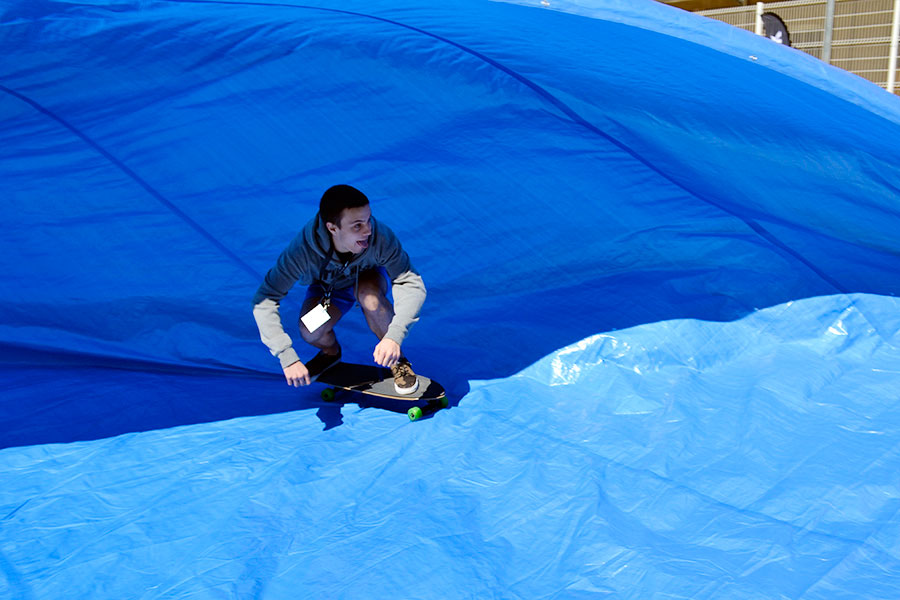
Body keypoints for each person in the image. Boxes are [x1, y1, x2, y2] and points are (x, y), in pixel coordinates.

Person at [252, 184, 426, 394]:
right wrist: (286, 356)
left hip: (368, 279)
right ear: (332, 228)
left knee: (369, 298)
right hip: (331, 289)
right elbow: (265, 299)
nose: (368, 230)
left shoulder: (380, 238)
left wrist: (394, 336)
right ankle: (330, 353)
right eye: (357, 226)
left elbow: (409, 280)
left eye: (368, 219)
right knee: (310, 330)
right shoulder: (301, 252)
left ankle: (398, 362)